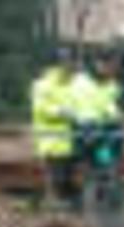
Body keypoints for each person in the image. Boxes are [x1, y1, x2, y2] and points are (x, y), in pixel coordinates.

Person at [70, 52, 124, 210]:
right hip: (84, 130)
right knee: (82, 164)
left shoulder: (110, 84)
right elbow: (80, 106)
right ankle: (77, 199)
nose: (113, 71)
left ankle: (106, 190)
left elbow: (110, 106)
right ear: (99, 64)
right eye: (111, 66)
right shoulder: (82, 83)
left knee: (106, 160)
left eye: (116, 67)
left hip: (101, 131)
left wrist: (116, 120)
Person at [31, 48, 80, 210]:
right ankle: (52, 212)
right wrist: (63, 112)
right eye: (68, 63)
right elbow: (41, 109)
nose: (73, 67)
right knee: (55, 181)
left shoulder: (75, 84)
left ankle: (69, 213)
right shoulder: (42, 85)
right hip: (52, 142)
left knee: (70, 182)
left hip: (73, 142)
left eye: (73, 63)